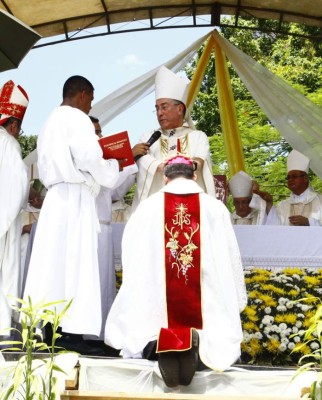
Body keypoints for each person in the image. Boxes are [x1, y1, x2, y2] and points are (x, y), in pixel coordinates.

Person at [105, 155, 247, 388]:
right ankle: (200, 349)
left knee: (150, 314)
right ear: (194, 175)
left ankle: (157, 345)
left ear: (165, 178)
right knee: (212, 324)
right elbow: (229, 253)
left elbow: (131, 251)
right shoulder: (214, 207)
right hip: (203, 295)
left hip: (159, 293)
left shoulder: (147, 207)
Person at [23, 76, 131, 355]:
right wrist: (113, 165)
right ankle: (70, 333)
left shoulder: (50, 121)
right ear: (82, 94)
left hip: (56, 198)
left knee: (55, 265)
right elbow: (89, 158)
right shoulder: (77, 118)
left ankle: (50, 328)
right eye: (91, 99)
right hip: (75, 198)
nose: (90, 105)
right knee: (74, 262)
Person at [132, 65, 216, 211]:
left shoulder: (198, 136)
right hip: (157, 208)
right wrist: (163, 166)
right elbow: (144, 161)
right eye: (157, 108)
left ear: (180, 109)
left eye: (164, 107)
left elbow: (200, 162)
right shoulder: (148, 137)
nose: (160, 113)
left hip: (189, 208)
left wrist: (182, 166)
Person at [84, 116, 137, 350]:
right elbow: (107, 182)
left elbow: (114, 191)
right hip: (90, 229)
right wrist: (129, 158)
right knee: (91, 283)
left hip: (103, 228)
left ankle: (102, 334)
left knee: (105, 284)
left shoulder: (102, 162)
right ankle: (87, 334)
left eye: (100, 132)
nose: (100, 136)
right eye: (95, 132)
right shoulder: (87, 159)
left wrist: (131, 167)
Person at [0, 80, 29, 332]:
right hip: (3, 223)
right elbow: (18, 188)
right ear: (13, 124)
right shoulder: (9, 144)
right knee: (3, 275)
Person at [274, 149, 322, 226]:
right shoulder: (282, 206)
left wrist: (309, 223)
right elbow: (272, 228)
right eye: (288, 177)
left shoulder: (320, 202)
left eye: (294, 176)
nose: (290, 180)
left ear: (305, 179)